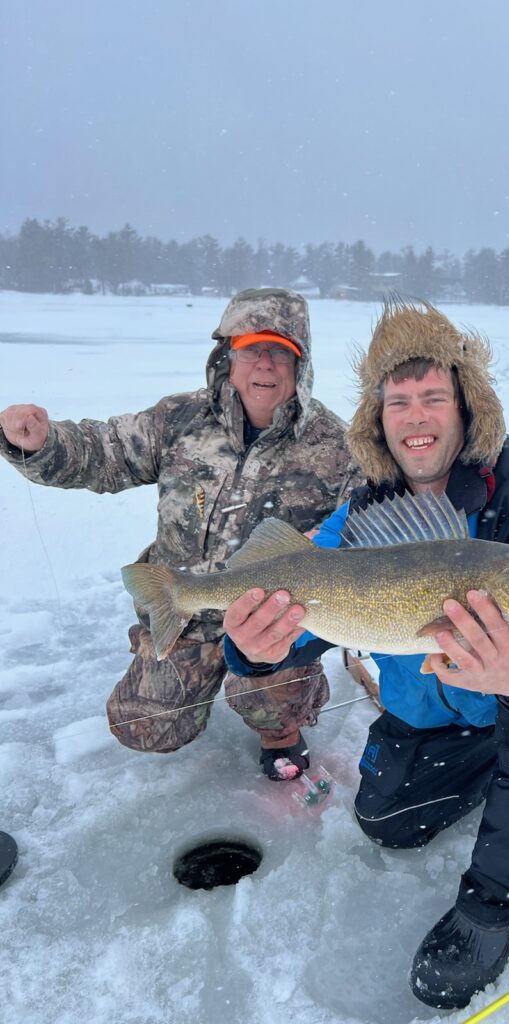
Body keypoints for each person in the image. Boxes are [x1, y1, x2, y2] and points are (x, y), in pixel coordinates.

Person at [222, 298, 509, 1009]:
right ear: (378, 419)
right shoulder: (366, 512)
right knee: (389, 821)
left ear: (465, 406)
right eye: (398, 400)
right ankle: (497, 769)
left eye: (433, 397)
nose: (415, 416)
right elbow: (307, 598)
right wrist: (253, 645)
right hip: (438, 716)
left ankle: (506, 897)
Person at [0, 288, 357, 781]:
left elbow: (366, 520)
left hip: (273, 623)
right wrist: (40, 443)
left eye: (281, 352)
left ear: (301, 365)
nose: (265, 364)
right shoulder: (179, 419)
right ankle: (173, 662)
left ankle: (281, 733)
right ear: (227, 357)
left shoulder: (336, 446)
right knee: (145, 728)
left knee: (274, 700)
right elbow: (105, 451)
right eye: (253, 348)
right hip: (183, 609)